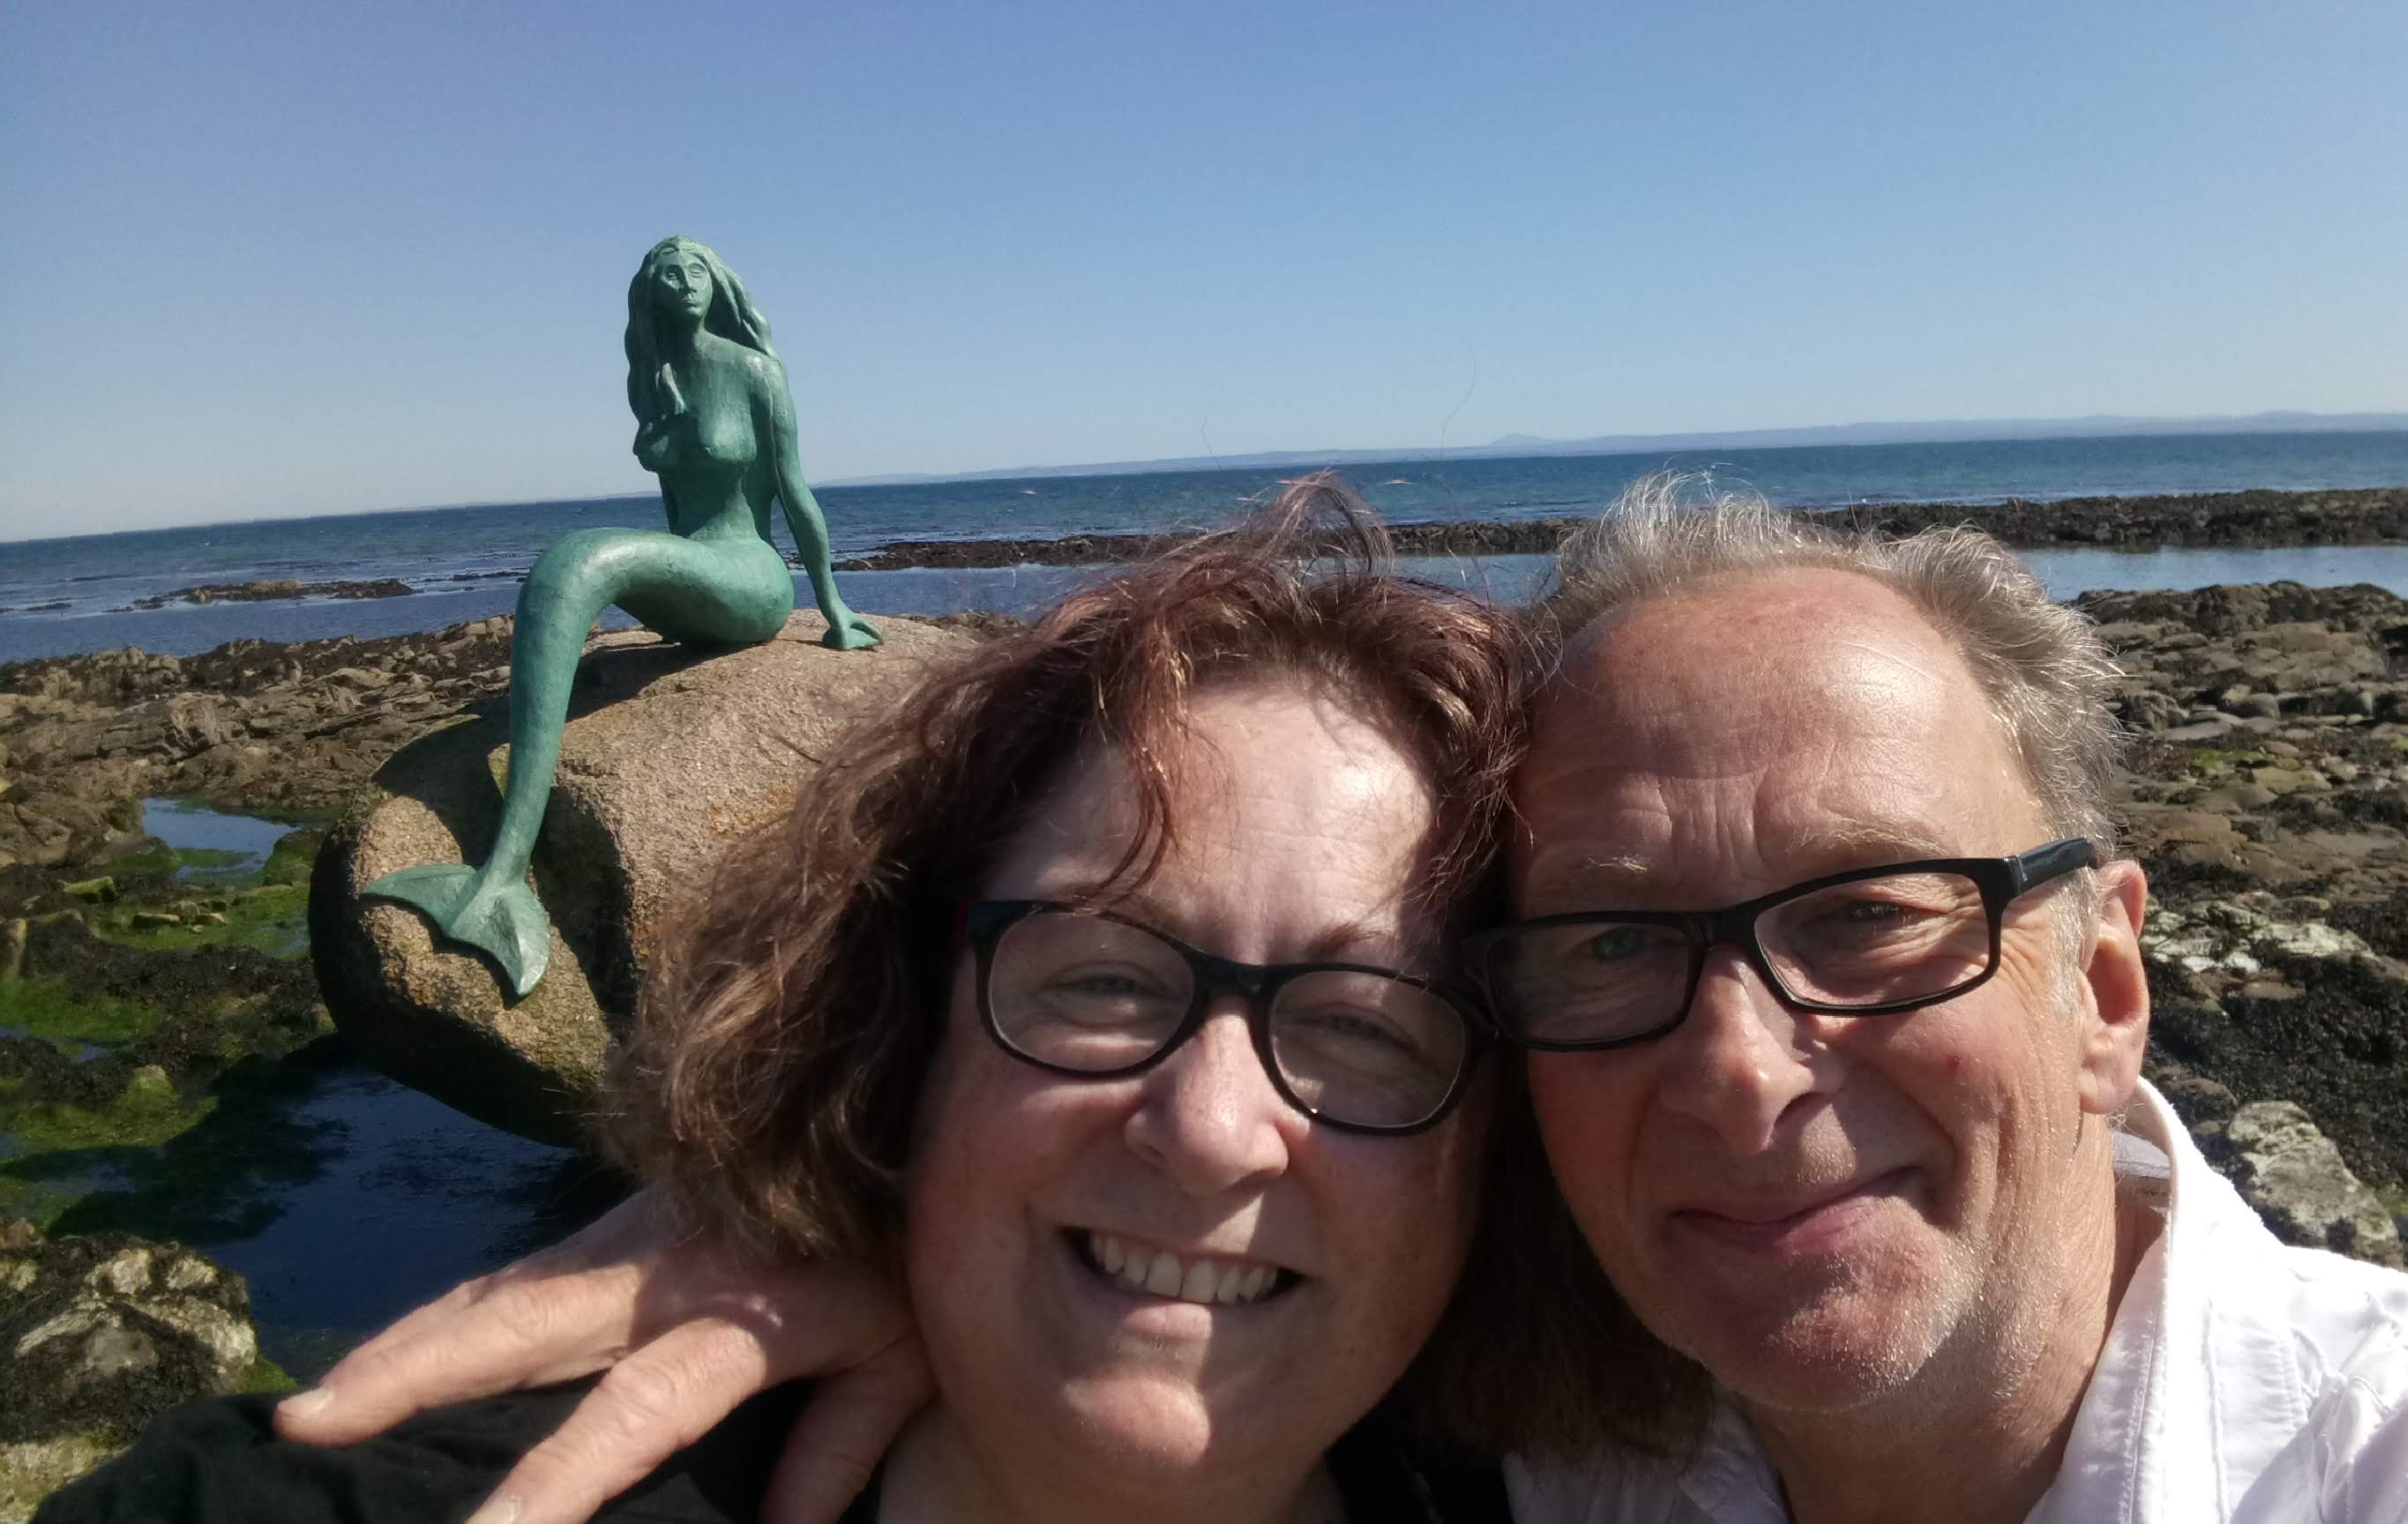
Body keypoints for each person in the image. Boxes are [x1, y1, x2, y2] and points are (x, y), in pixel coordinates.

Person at [269, 477, 2408, 1522]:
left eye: (1875, 914)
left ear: (2102, 980)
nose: (1736, 1068)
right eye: (1615, 944)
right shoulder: (1556, 1428)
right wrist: (922, 1247)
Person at [40, 482, 1534, 1524]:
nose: (1209, 1128)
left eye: (1363, 1022)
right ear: (905, 1034)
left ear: (1504, 1142)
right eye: (1098, 976)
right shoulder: (348, 1500)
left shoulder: (1577, 1488)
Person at [366, 236, 884, 997]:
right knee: (563, 574)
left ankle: (503, 873)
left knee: (579, 557)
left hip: (750, 579)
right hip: (696, 575)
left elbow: (795, 494)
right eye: (669, 275)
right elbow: (675, 507)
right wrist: (669, 597)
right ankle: (496, 874)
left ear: (718, 284)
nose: (685, 283)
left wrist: (832, 604)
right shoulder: (655, 377)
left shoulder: (755, 372)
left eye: (696, 271)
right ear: (650, 294)